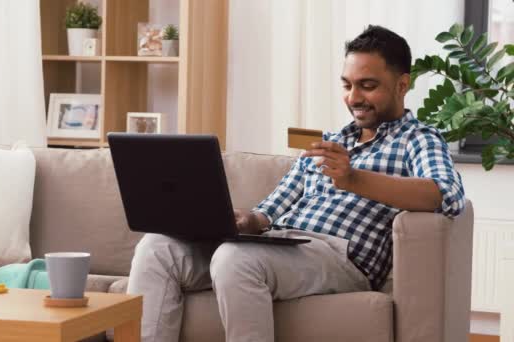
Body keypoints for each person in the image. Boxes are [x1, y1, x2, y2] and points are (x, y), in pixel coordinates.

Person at [127, 25, 466, 342]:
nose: (353, 97)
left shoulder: (418, 139)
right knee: (157, 248)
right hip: (282, 245)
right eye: (347, 85)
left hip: (341, 257)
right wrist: (250, 220)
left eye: (368, 85)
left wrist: (353, 179)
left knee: (236, 259)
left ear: (402, 85)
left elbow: (446, 196)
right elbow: (273, 207)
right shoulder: (331, 142)